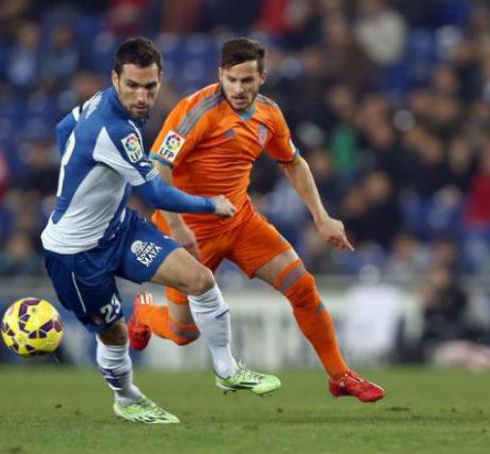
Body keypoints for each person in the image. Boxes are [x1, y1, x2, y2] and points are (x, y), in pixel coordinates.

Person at [129, 37, 384, 403]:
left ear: (262, 77)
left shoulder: (269, 114)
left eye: (247, 80)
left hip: (239, 221)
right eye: (231, 79)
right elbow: (157, 169)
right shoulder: (195, 112)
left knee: (302, 285)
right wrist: (179, 227)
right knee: (183, 333)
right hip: (188, 231)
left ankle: (340, 376)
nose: (238, 89)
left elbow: (293, 163)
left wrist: (322, 217)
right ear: (220, 74)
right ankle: (144, 314)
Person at [41, 37, 280, 425]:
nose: (141, 97)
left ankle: (227, 370)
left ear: (160, 80)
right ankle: (127, 398)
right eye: (132, 86)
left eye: (150, 87)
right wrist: (210, 204)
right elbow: (152, 192)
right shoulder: (113, 128)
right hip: (74, 253)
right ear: (115, 78)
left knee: (199, 279)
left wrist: (80, 170)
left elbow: (62, 127)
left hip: (118, 229)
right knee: (114, 333)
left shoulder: (101, 101)